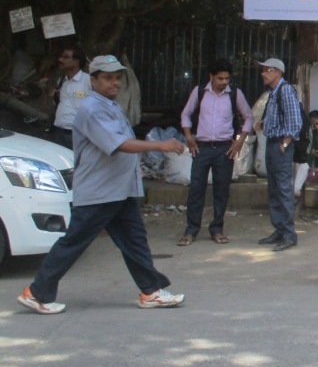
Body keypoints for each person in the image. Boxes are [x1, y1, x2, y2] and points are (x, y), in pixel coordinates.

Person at [17, 55, 186, 315]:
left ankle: (150, 291)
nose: (115, 82)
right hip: (100, 192)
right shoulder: (93, 109)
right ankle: (38, 292)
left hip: (118, 190)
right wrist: (160, 145)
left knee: (135, 241)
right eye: (108, 77)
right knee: (74, 241)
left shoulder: (109, 105)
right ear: (93, 80)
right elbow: (119, 145)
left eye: (117, 77)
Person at [178, 58, 253, 246]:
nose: (224, 82)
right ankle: (191, 230)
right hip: (201, 148)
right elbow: (186, 114)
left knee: (221, 190)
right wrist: (188, 137)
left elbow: (249, 117)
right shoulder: (199, 92)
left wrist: (239, 142)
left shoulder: (235, 94)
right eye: (220, 78)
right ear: (211, 77)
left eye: (227, 78)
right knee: (196, 189)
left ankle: (217, 229)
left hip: (224, 149)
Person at [255, 57, 303, 252]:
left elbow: (295, 122)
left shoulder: (285, 91)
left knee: (283, 189)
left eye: (267, 70)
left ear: (278, 72)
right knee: (274, 188)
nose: (263, 74)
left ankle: (289, 234)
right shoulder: (273, 92)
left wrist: (285, 142)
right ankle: (279, 230)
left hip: (281, 145)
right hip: (273, 143)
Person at [50, 46, 91, 149]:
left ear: (76, 61)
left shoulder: (88, 81)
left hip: (78, 134)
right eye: (61, 57)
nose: (60, 60)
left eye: (66, 57)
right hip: (59, 132)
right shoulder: (62, 81)